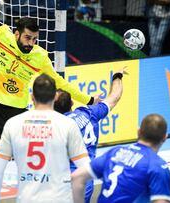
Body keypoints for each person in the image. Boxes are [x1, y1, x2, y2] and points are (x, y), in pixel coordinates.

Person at [0, 0, 100, 201]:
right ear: (16, 34)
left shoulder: (39, 56)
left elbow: (58, 82)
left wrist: (89, 99)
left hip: (17, 114)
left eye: (34, 39)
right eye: (27, 38)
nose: (30, 43)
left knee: (40, 157)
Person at [0, 73, 90, 203]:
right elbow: (86, 168)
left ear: (32, 97)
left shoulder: (13, 123)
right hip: (60, 198)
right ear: (55, 97)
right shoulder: (67, 124)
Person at [53, 68, 126, 203]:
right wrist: (117, 76)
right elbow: (114, 97)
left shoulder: (56, 127)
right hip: (85, 182)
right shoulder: (88, 113)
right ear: (72, 103)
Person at [71, 113, 170, 203]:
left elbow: (76, 177)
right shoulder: (157, 165)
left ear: (138, 131)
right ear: (165, 137)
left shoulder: (115, 152)